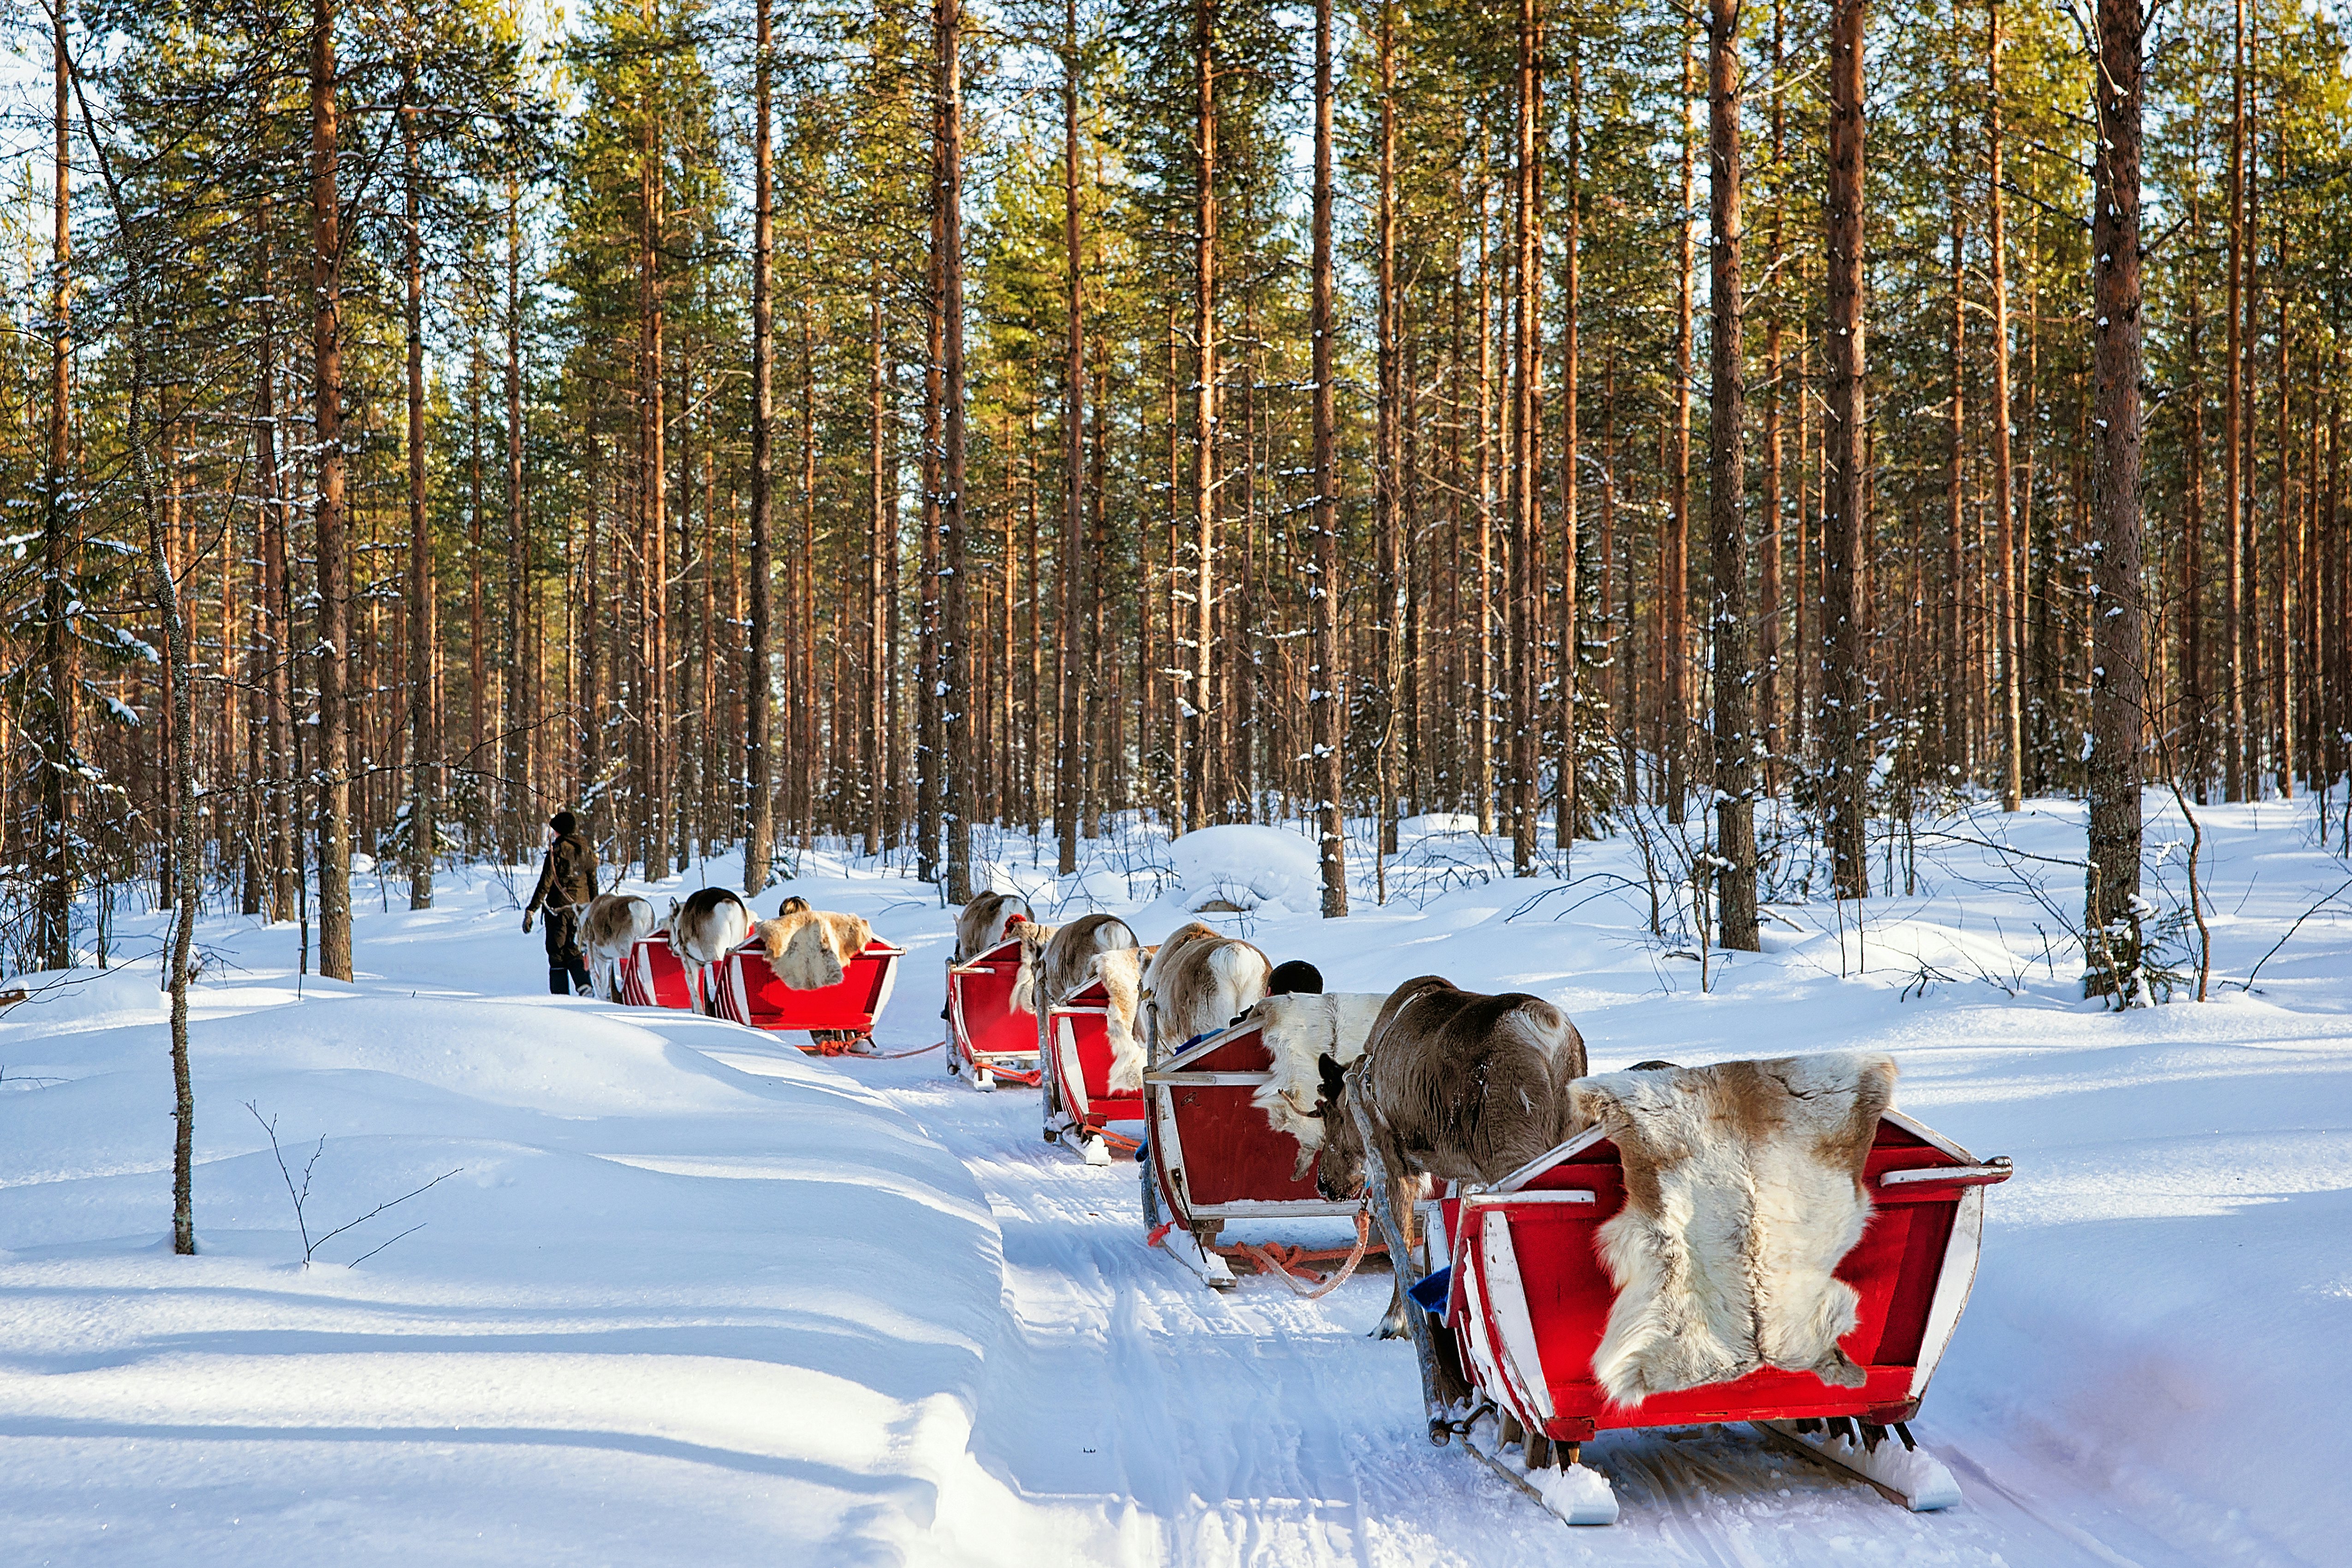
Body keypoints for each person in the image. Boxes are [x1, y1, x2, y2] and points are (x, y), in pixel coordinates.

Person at [523, 810, 600, 994]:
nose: (554, 833)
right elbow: (593, 883)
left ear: (561, 831)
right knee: (573, 950)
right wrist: (594, 908)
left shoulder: (556, 852)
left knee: (557, 954)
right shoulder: (586, 851)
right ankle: (584, 985)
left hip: (557, 910)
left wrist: (531, 910)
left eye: (555, 830)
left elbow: (545, 884)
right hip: (580, 910)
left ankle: (560, 998)